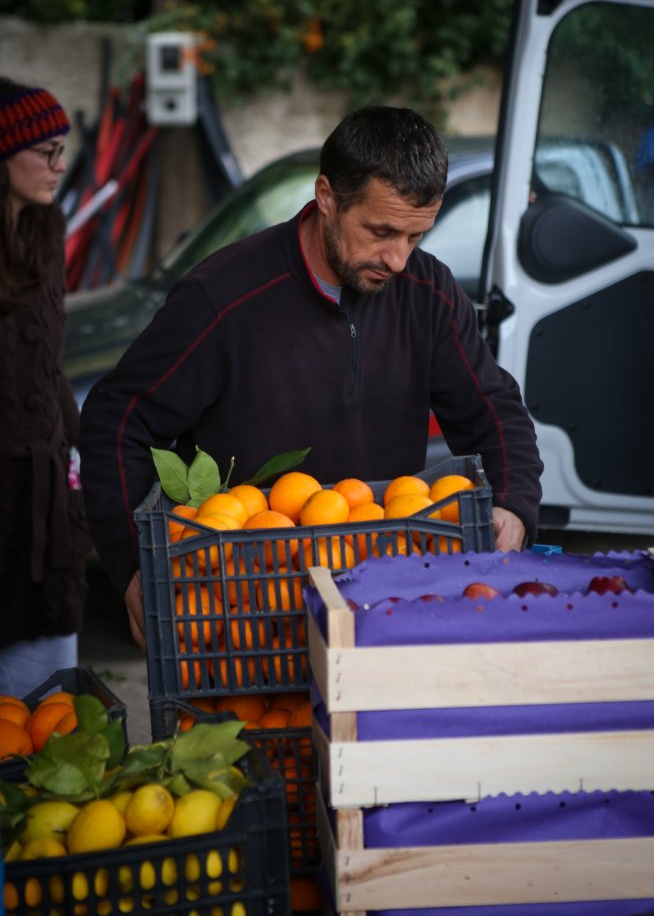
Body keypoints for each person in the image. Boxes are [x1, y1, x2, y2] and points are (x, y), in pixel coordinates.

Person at [80, 105, 543, 650]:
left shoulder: (429, 293)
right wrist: (137, 567)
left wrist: (513, 502)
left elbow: (492, 405)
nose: (397, 260)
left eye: (415, 237)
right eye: (381, 231)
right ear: (327, 197)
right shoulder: (223, 298)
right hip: (245, 608)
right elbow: (118, 420)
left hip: (381, 601)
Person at [0, 77, 90, 696]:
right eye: (46, 152)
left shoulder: (44, 230)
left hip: (46, 483)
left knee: (47, 679)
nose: (60, 166)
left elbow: (51, 362)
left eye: (64, 150)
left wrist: (77, 452)